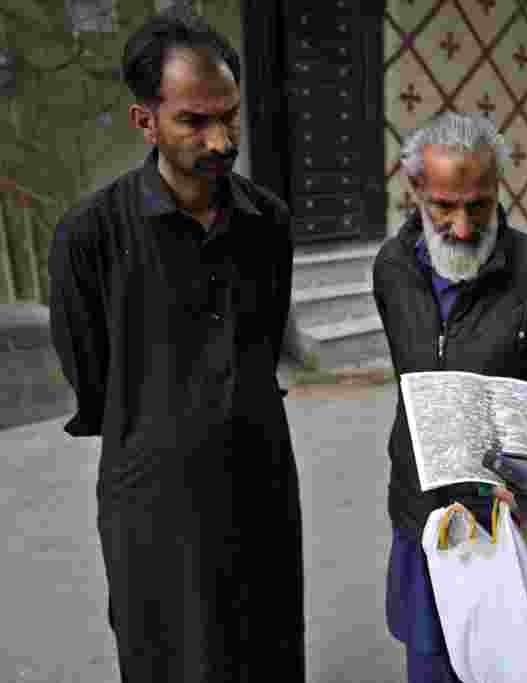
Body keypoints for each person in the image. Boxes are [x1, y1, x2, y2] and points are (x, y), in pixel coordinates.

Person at [48, 8, 304, 681]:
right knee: (169, 657)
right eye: (194, 121)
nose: (220, 140)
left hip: (262, 481)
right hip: (153, 499)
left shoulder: (268, 222)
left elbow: (264, 336)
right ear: (146, 121)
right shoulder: (89, 236)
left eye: (230, 116)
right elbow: (92, 376)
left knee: (267, 648)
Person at [372, 111, 527, 683]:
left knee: (513, 664)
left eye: (477, 205)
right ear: (415, 191)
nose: (460, 225)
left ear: (499, 189)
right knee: (431, 663)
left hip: (512, 518)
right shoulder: (392, 268)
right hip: (423, 510)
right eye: (442, 207)